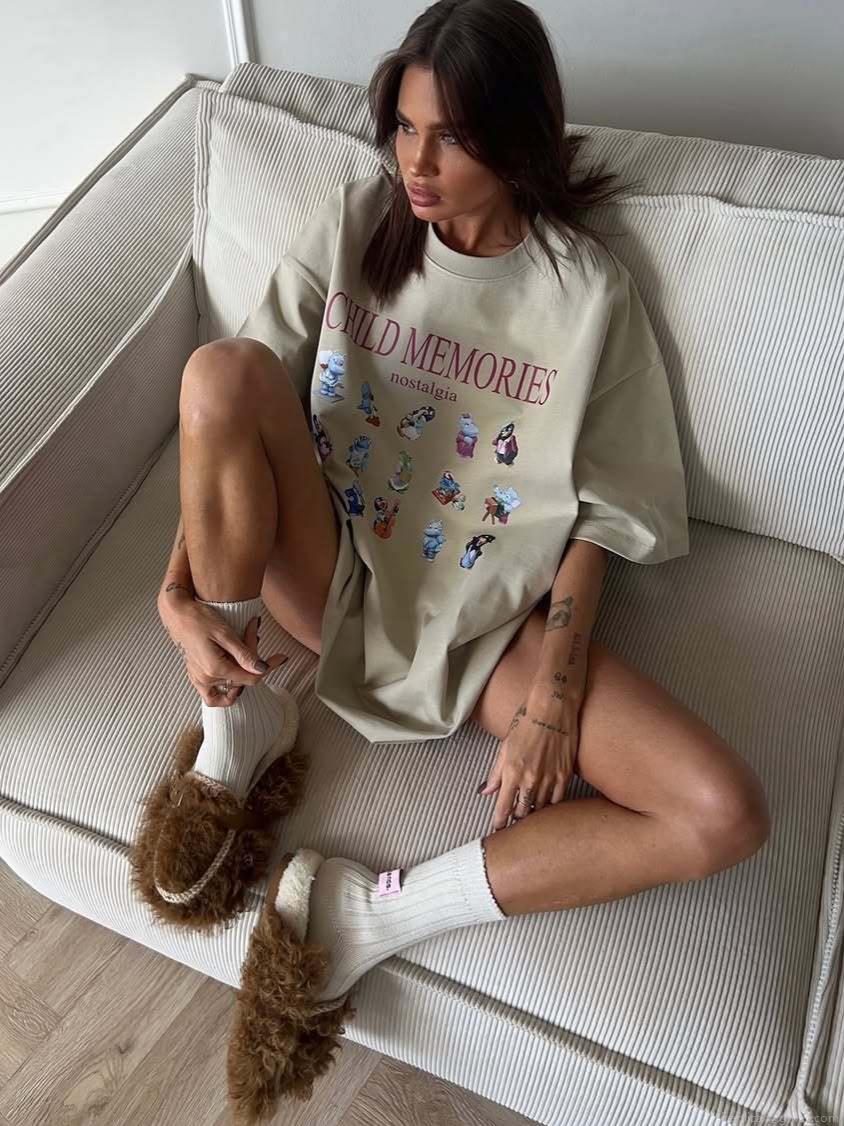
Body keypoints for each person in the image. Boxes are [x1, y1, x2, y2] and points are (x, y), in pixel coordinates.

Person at [137, 1, 772, 1117]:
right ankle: (240, 730)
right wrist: (176, 592)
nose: (415, 164)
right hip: (322, 571)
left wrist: (554, 696)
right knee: (217, 369)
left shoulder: (586, 293)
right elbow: (231, 401)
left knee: (722, 810)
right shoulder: (357, 224)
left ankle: (369, 915)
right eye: (404, 127)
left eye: (451, 137)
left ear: (516, 139)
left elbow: (605, 516)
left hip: (480, 630)